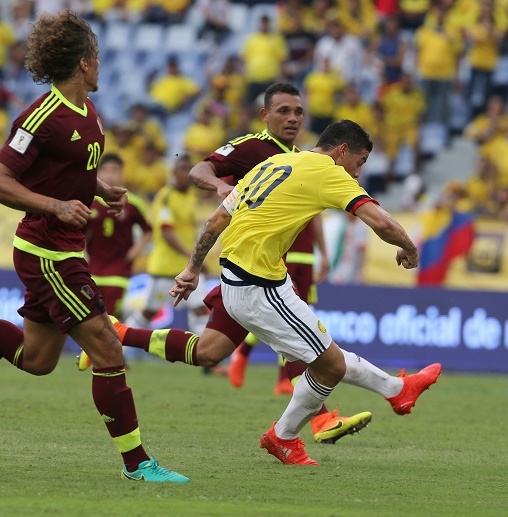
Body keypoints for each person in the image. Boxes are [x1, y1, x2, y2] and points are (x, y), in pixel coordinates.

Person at [78, 84, 373, 445]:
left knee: (210, 350)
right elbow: (200, 170)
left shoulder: (301, 158)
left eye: (298, 112)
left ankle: (117, 332)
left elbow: (310, 216)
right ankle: (320, 420)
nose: (293, 118)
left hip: (270, 272)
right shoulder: (251, 147)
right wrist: (221, 187)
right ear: (265, 116)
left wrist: (323, 254)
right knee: (298, 339)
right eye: (283, 111)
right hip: (249, 273)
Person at [171, 119, 441, 466]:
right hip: (256, 286)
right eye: (358, 164)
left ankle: (393, 392)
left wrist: (193, 268)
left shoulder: (274, 163)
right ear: (342, 151)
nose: (356, 175)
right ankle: (287, 435)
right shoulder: (326, 172)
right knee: (329, 366)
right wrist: (411, 249)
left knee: (328, 360)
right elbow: (382, 222)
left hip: (255, 278)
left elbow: (215, 222)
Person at [0, 10, 186, 482]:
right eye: (97, 57)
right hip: (48, 252)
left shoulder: (89, 112)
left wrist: (99, 190)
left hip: (64, 248)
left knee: (38, 361)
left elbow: (70, 170)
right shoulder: (40, 116)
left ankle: (137, 463)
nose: (100, 65)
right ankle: (138, 464)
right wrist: (54, 206)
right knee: (106, 346)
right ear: (84, 62)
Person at [123, 156, 209, 338]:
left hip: (187, 267)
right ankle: (120, 344)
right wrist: (194, 255)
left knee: (200, 309)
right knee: (149, 312)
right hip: (165, 268)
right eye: (182, 169)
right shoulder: (166, 196)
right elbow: (166, 233)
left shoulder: (190, 197)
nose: (186, 174)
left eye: (189, 170)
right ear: (174, 172)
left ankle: (207, 359)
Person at [85, 153, 152, 321]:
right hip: (92, 270)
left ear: (122, 175)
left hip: (119, 269)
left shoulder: (133, 204)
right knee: (91, 319)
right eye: (105, 170)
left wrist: (133, 253)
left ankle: (113, 347)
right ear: (98, 174)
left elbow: (149, 230)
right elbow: (78, 231)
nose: (110, 175)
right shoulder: (88, 201)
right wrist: (83, 254)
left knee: (112, 319)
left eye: (115, 170)